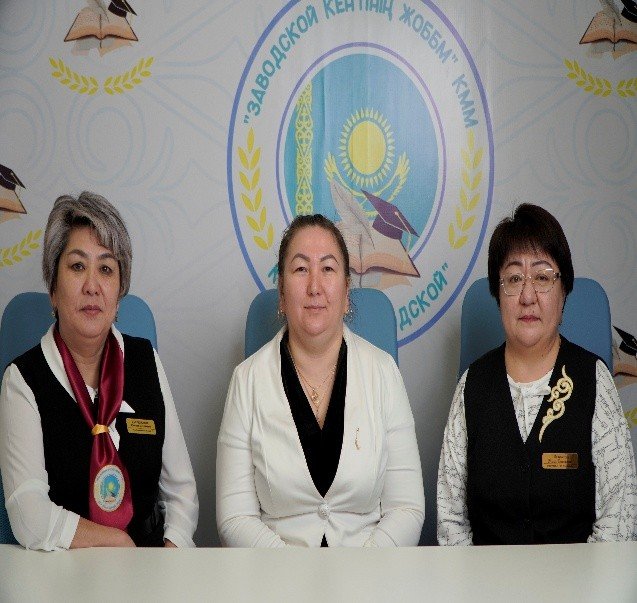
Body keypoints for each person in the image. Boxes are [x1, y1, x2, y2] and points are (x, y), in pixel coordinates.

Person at [0, 192, 198, 550]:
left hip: (149, 566)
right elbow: (28, 513)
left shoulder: (145, 360)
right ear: (53, 289)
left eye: (106, 269)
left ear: (119, 293)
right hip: (62, 571)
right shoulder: (23, 381)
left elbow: (181, 492)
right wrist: (116, 544)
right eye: (77, 266)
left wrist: (171, 553)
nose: (92, 286)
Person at [216, 214, 424, 547]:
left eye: (328, 269)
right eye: (301, 269)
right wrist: (290, 572)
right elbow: (235, 516)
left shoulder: (383, 373)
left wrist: (365, 570)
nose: (315, 286)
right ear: (281, 294)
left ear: (346, 292)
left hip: (370, 570)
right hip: (275, 572)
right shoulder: (247, 380)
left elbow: (407, 508)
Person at [437, 203, 637, 545]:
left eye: (543, 278)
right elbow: (450, 520)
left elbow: (619, 520)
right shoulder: (473, 385)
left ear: (564, 290)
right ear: (498, 293)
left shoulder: (593, 379)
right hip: (485, 578)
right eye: (514, 279)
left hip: (578, 578)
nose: (527, 296)